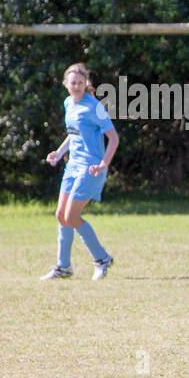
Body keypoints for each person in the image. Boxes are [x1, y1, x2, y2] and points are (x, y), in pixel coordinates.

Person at [41, 63, 118, 280]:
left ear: (86, 84)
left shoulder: (94, 107)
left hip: (90, 167)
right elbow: (74, 134)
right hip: (72, 165)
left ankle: (102, 259)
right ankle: (63, 267)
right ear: (65, 84)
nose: (76, 86)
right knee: (61, 216)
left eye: (80, 83)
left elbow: (114, 138)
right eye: (72, 83)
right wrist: (58, 152)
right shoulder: (68, 103)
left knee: (72, 216)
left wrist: (104, 163)